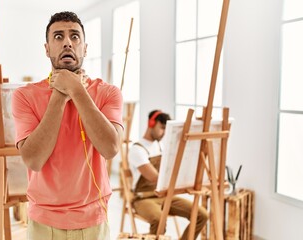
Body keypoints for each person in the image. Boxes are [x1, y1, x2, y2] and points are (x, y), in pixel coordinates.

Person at [12, 11, 124, 240]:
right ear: (47, 49)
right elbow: (33, 159)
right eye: (58, 37)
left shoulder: (108, 93)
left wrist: (76, 89)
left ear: (84, 48)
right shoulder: (24, 96)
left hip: (94, 220)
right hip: (44, 222)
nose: (67, 43)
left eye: (75, 36)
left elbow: (110, 148)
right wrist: (60, 95)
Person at [128, 110, 208, 240]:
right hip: (144, 199)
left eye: (166, 129)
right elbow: (154, 177)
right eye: (162, 128)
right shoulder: (137, 149)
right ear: (151, 123)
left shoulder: (160, 146)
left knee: (201, 215)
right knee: (159, 219)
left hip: (165, 195)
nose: (164, 133)